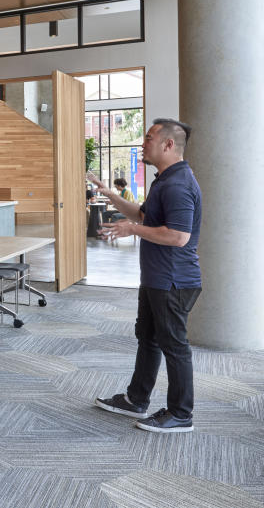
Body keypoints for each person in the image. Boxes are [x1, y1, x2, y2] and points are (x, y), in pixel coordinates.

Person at [91, 119, 202, 433]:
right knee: (149, 339)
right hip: (157, 278)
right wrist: (109, 194)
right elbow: (142, 216)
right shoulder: (164, 180)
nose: (143, 143)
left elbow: (179, 236)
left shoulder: (179, 184)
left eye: (149, 138)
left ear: (168, 144)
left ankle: (181, 414)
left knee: (174, 346)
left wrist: (132, 230)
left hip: (173, 281)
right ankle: (136, 399)